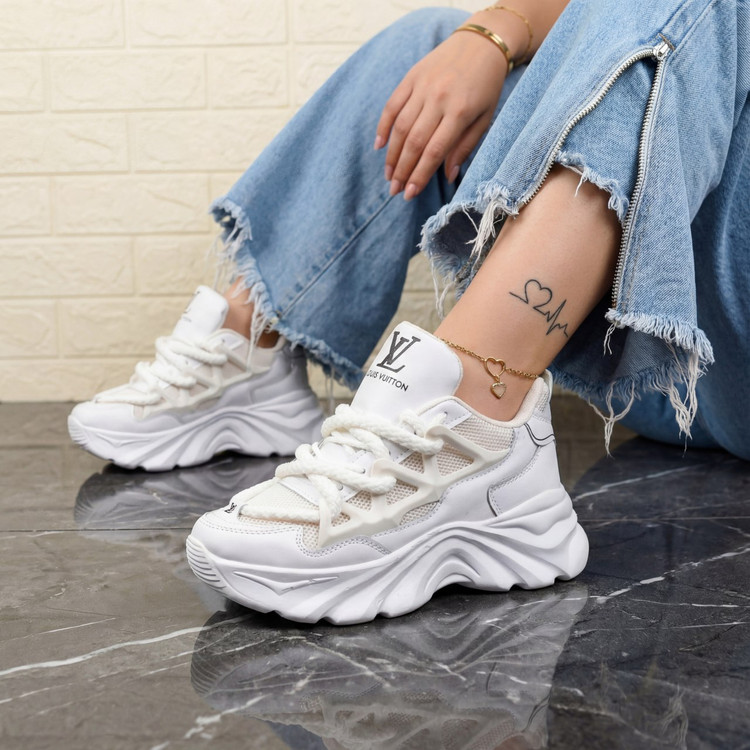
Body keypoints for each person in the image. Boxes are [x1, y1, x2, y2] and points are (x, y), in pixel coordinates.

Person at [69, 0, 749, 623]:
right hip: (648, 360)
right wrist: (491, 34)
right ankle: (255, 350)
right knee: (438, 42)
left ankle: (477, 415)